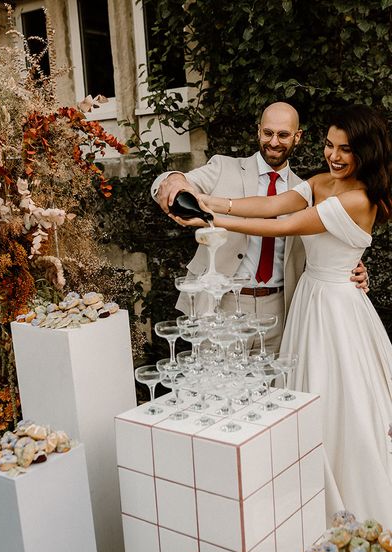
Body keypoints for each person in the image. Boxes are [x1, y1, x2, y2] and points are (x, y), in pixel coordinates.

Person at [172, 104, 392, 524]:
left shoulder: (359, 199)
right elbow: (271, 205)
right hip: (308, 300)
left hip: (336, 309)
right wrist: (206, 198)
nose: (334, 156)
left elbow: (282, 227)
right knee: (299, 391)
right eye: (329, 145)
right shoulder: (321, 181)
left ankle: (342, 501)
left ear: (368, 151)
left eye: (346, 149)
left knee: (338, 400)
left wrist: (210, 216)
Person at [151, 102, 368, 353]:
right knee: (219, 387)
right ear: (258, 132)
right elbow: (173, 182)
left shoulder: (308, 190)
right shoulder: (223, 167)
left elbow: (330, 235)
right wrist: (173, 180)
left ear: (297, 137)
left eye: (283, 135)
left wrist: (351, 268)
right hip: (222, 304)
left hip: (280, 308)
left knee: (274, 387)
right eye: (268, 133)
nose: (274, 142)